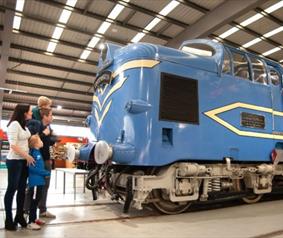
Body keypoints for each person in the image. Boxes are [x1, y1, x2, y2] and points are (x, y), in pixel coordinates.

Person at [4, 104, 35, 231]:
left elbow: (25, 142)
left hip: (23, 161)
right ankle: (9, 219)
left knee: (22, 190)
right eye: (30, 111)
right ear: (24, 113)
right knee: (12, 189)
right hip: (15, 161)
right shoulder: (14, 124)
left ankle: (19, 216)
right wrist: (27, 156)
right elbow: (13, 145)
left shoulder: (24, 125)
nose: (31, 113)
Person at [26, 107, 56, 218]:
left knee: (45, 186)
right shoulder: (36, 126)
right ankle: (26, 210)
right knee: (32, 186)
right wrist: (44, 134)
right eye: (51, 115)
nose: (52, 117)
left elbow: (47, 143)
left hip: (46, 160)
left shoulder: (49, 128)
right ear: (45, 116)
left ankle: (42, 210)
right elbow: (32, 140)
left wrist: (52, 139)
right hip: (38, 160)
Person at [26, 135, 50, 230]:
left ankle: (35, 219)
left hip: (39, 182)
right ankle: (31, 222)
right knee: (34, 202)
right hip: (35, 183)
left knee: (37, 201)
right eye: (40, 140)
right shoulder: (33, 153)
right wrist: (45, 173)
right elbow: (32, 168)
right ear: (35, 143)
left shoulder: (37, 152)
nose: (41, 141)